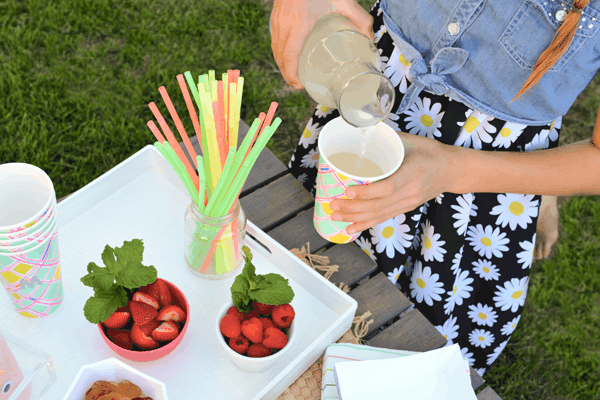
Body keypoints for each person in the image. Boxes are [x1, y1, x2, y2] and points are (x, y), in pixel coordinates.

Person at [271, 0, 600, 375]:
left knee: (401, 362)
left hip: (475, 191)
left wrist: (451, 171)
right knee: (291, 296)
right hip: (369, 85)